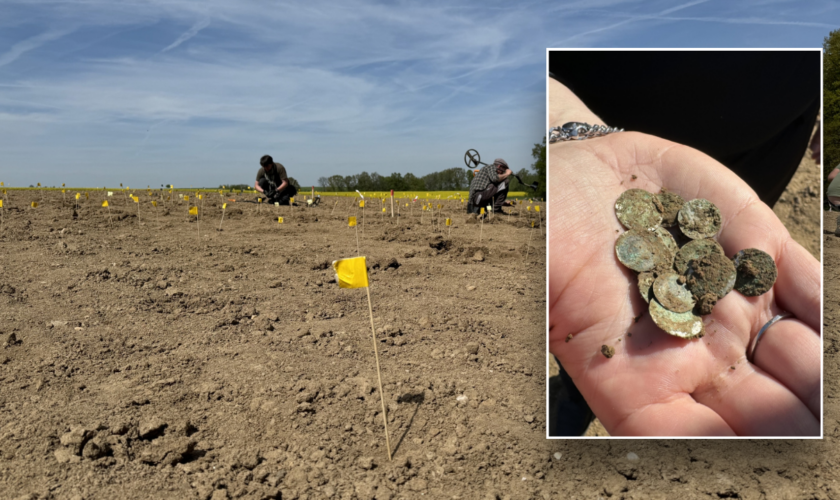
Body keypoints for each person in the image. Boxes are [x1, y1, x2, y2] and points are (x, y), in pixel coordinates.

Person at [549, 52, 820, 437]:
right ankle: (575, 398)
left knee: (744, 249)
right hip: (617, 140)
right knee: (596, 328)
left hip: (768, 145)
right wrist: (561, 125)